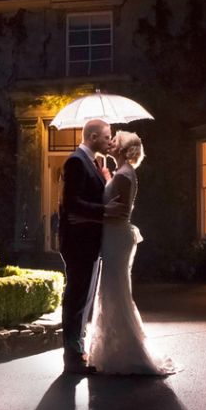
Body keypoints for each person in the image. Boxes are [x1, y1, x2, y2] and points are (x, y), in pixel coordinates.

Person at [83, 130, 179, 375]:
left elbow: (122, 211)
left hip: (117, 237)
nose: (110, 142)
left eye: (114, 141)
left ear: (123, 150)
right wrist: (106, 177)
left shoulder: (125, 175)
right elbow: (115, 199)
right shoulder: (120, 174)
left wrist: (92, 211)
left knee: (115, 292)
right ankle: (113, 350)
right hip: (114, 237)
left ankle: (127, 353)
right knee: (112, 290)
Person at [58, 118, 124, 374]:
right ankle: (72, 358)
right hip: (78, 242)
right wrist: (105, 211)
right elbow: (71, 204)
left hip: (90, 241)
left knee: (84, 298)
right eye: (107, 137)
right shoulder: (76, 161)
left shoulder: (94, 163)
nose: (110, 141)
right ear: (94, 136)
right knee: (76, 298)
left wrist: (105, 178)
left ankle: (78, 349)